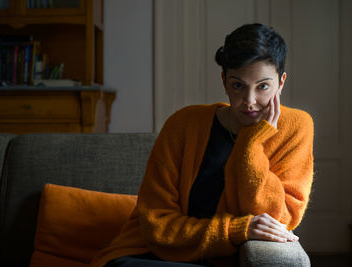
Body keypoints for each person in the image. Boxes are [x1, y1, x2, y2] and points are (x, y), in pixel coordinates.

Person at [91, 23, 314, 267]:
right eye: (238, 85)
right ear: (224, 80)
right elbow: (155, 226)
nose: (249, 101)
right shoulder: (183, 124)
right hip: (143, 256)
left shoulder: (295, 127)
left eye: (262, 87)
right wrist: (234, 230)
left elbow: (277, 220)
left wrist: (251, 143)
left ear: (281, 83)